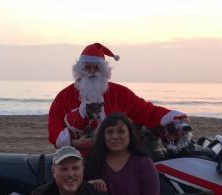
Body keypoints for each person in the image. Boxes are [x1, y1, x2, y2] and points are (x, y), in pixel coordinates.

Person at [48, 42, 191, 153]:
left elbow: (146, 111)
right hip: (78, 162)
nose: (92, 72)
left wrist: (171, 117)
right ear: (80, 69)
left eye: (96, 68)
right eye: (87, 67)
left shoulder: (119, 93)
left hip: (116, 159)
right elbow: (54, 130)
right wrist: (75, 143)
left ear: (103, 70)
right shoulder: (63, 97)